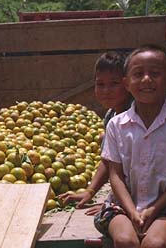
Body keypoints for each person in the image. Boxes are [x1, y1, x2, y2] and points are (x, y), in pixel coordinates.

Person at [96, 44, 166, 248]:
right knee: (125, 240)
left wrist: (154, 209)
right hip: (122, 205)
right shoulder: (116, 125)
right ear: (126, 83)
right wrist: (132, 211)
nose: (146, 79)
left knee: (155, 244)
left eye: (156, 73)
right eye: (138, 74)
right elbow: (115, 175)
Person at [59, 50, 132, 214]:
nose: (106, 90)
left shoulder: (136, 116)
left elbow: (143, 167)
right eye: (100, 84)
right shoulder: (111, 115)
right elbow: (108, 160)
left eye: (114, 83)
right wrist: (90, 191)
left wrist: (116, 202)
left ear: (127, 84)